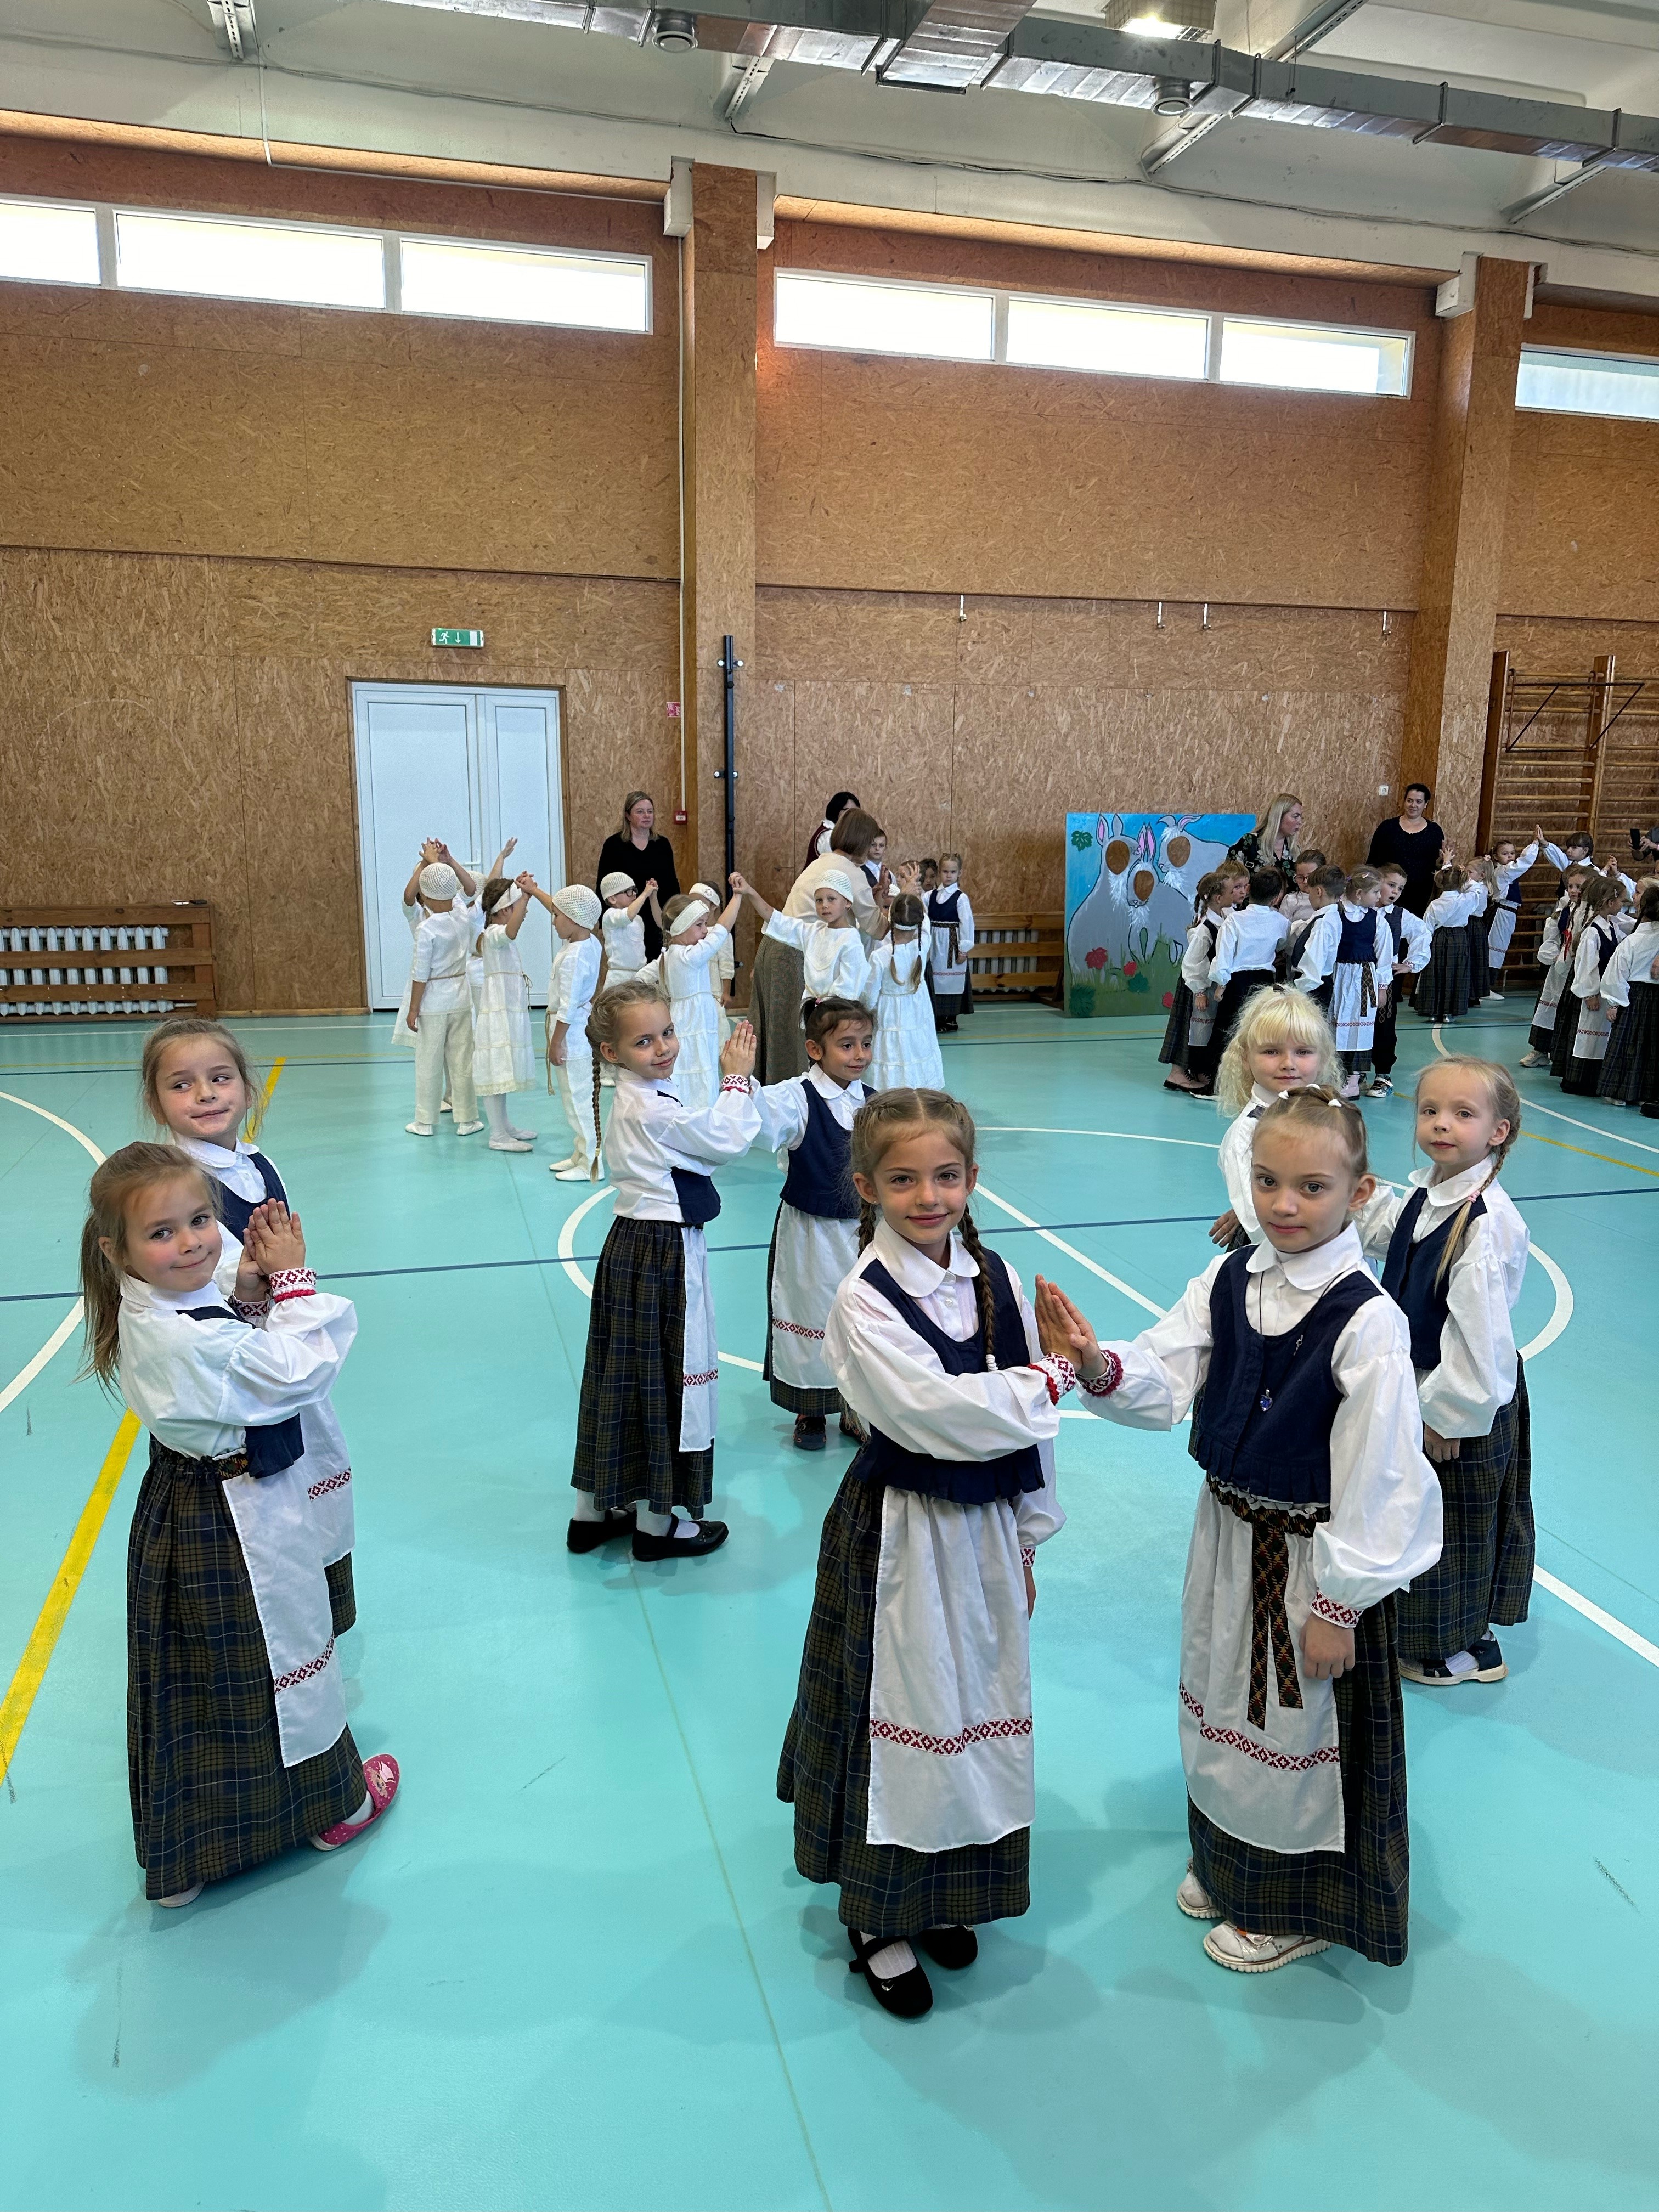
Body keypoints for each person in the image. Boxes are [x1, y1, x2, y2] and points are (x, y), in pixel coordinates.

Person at [1039, 1087, 1441, 1974]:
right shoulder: (1228, 1281)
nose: (1284, 1204)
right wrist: (1097, 1362)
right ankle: (1231, 1868)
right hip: (1227, 1533)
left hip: (1307, 1564)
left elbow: (1381, 1477)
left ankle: (1295, 1906)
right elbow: (1164, 1369)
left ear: (1358, 1192)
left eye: (1310, 1187)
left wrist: (1337, 1604)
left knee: (1295, 1727)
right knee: (1221, 1696)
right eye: (1266, 1181)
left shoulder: (1365, 1321)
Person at [778, 1088, 1069, 2021]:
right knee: (895, 1716)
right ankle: (875, 1914)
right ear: (867, 1187)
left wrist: (1029, 1535)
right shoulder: (862, 1300)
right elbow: (936, 1417)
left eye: (945, 1176)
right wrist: (1050, 1378)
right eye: (903, 1179)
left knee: (968, 1705)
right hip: (899, 1534)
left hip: (983, 1535)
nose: (928, 1196)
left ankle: (942, 1886)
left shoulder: (997, 1278)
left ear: (971, 1178)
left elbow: (1030, 1440)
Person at [80, 1143, 399, 1907]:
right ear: (117, 1251)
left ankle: (186, 1859)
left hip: (182, 1501)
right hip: (238, 1515)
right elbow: (295, 1372)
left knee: (202, 1682)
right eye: (163, 1233)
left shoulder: (150, 1302)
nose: (193, 1243)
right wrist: (291, 1282)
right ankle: (339, 1807)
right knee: (284, 1662)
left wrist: (245, 1290)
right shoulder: (192, 1338)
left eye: (200, 1221)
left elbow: (223, 1338)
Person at [139, 1015, 359, 1635]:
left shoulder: (256, 1162)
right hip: (238, 1376)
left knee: (309, 1496)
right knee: (266, 1535)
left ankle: (315, 1622)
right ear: (155, 1102)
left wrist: (272, 1277)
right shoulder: (173, 1185)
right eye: (181, 1085)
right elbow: (189, 1289)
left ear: (246, 1085)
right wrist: (261, 1281)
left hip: (277, 1348)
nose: (205, 1095)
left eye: (220, 1078)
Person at [570, 985, 761, 1562]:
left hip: (630, 1244)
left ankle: (591, 1513)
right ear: (612, 1052)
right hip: (662, 1252)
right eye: (644, 1041)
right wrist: (736, 1079)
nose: (663, 1048)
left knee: (621, 1377)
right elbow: (726, 1139)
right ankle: (656, 1526)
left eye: (668, 1033)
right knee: (666, 1378)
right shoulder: (652, 1109)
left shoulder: (641, 1097)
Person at [1358, 1060, 1531, 1689]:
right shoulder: (1429, 1194)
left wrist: (1446, 1416)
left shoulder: (1485, 1224)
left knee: (1453, 1528)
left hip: (1457, 1401)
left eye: (1463, 1114)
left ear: (1497, 1132)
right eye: (1429, 1111)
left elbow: (1481, 1340)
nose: (1441, 1124)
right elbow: (1391, 1235)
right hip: (1419, 1386)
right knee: (1413, 1512)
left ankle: (1458, 1648)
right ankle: (1423, 1625)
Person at [753, 998, 874, 1452]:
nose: (860, 1054)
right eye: (847, 1045)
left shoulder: (873, 1102)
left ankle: (856, 1407)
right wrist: (740, 1080)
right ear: (815, 1050)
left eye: (866, 1043)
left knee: (862, 1318)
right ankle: (811, 1409)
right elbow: (758, 1123)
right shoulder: (797, 1097)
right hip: (810, 1234)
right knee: (811, 1313)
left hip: (863, 1234)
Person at [752, 810, 889, 1085]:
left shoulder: (821, 862)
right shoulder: (852, 872)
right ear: (863, 842)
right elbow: (877, 927)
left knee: (771, 1031)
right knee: (795, 1035)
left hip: (772, 945)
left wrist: (873, 898)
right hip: (794, 952)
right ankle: (796, 1095)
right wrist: (897, 901)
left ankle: (765, 1089)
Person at [1208, 986, 1340, 1251]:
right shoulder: (1246, 1134)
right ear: (1246, 1058)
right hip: (1284, 1260)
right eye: (1271, 1052)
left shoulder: (1331, 1115)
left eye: (1303, 1052)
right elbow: (1263, 1226)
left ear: (1323, 1057)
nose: (1288, 1063)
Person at [523, 881, 603, 1178]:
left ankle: (592, 1163)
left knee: (578, 1100)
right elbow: (568, 912)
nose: (553, 920)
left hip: (571, 1033)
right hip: (577, 1026)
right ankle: (582, 1151)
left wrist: (555, 1044)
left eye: (557, 916)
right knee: (576, 1098)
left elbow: (568, 1007)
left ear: (574, 919)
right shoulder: (586, 941)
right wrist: (535, 891)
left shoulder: (575, 956)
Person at [733, 868, 876, 1023]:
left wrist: (828, 1013)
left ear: (847, 902)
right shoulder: (813, 931)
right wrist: (749, 891)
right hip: (812, 1011)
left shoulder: (850, 939)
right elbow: (777, 921)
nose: (824, 905)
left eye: (831, 899)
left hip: (838, 1015)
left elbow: (848, 986)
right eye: (819, 900)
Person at [405, 861, 483, 1141]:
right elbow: (471, 889)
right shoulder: (461, 915)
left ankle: (425, 1121)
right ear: (453, 891)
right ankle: (467, 1119)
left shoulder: (426, 929)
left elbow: (420, 973)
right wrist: (449, 861)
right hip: (461, 998)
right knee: (462, 1061)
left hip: (433, 1002)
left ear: (424, 896)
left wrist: (414, 1009)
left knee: (429, 1061)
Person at [1297, 867, 1391, 1097]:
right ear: (1359, 894)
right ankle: (1334, 1074)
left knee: (1360, 1030)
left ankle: (1354, 1079)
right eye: (1375, 892)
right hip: (1339, 977)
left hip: (1364, 980)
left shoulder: (1377, 919)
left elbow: (1385, 956)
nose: (1379, 897)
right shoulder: (1335, 914)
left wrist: (1382, 987)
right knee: (1335, 1027)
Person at [653, 887, 743, 1115]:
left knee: (696, 1067)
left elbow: (640, 977)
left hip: (690, 1017)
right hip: (693, 1020)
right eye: (700, 925)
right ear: (682, 927)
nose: (705, 930)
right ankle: (699, 1114)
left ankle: (692, 1112)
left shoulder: (670, 955)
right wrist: (738, 896)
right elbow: (722, 930)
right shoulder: (689, 957)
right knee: (698, 1068)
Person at [471, 875, 539, 1153]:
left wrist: (523, 895)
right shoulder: (494, 934)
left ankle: (504, 1125)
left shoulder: (499, 936)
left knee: (504, 1069)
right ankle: (497, 1135)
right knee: (496, 1069)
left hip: (509, 1011)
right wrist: (526, 896)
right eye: (516, 906)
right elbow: (512, 931)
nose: (523, 912)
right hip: (497, 1013)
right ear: (503, 909)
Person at [1161, 872, 1234, 1096]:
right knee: (1190, 1030)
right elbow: (1192, 963)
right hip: (1195, 986)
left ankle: (1198, 1070)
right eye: (1232, 891)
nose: (1236, 894)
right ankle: (1178, 1074)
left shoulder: (1223, 919)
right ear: (1219, 898)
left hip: (1205, 985)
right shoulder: (1205, 929)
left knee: (1203, 1031)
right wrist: (1200, 991)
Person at [1556, 874, 1627, 1094]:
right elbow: (1586, 966)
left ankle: (1595, 1079)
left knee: (1599, 1037)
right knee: (1586, 1038)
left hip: (1604, 992)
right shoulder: (1592, 933)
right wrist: (1590, 994)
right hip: (1593, 995)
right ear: (1611, 903)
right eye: (1622, 901)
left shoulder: (1611, 926)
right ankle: (1579, 1081)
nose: (1623, 905)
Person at [1364, 862, 1431, 1098]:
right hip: (1356, 978)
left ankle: (1383, 1074)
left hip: (1385, 980)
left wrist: (1410, 964)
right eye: (1391, 885)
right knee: (1357, 1025)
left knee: (1383, 1027)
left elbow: (1422, 933)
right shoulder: (1357, 911)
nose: (1395, 892)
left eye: (1400, 888)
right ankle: (1357, 1071)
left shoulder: (1400, 916)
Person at [1208, 870, 1289, 1054]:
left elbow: (1224, 955)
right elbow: (1283, 944)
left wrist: (1222, 983)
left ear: (1249, 889)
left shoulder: (1234, 920)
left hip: (1236, 982)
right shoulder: (1282, 922)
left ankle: (1221, 1070)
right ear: (1277, 899)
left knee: (1229, 1030)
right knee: (1258, 1030)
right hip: (1264, 982)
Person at [869, 892, 943, 1092]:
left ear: (891, 918)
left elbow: (869, 997)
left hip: (889, 1014)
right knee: (916, 1049)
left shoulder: (879, 956)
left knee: (891, 1052)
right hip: (917, 1010)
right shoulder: (922, 946)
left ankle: (891, 1095)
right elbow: (925, 924)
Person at [1520, 864, 1592, 1068]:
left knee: (1569, 1011)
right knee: (1548, 1005)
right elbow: (1553, 934)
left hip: (1578, 967)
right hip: (1559, 965)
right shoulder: (1564, 906)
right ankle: (1540, 1050)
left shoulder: (1592, 912)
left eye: (1579, 887)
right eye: (1570, 886)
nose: (1573, 891)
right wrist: (1552, 953)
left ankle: (1563, 1055)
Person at [596, 791, 680, 962]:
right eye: (640, 812)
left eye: (650, 811)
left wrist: (675, 918)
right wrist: (604, 922)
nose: (647, 816)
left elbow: (672, 885)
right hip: (626, 920)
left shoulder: (662, 845)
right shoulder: (614, 845)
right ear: (628, 816)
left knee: (657, 968)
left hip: (657, 919)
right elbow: (603, 886)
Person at [1598, 882, 1659, 1114]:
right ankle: (1646, 1093)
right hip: (1655, 998)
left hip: (1634, 997)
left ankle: (1619, 1093)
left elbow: (1616, 974)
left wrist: (1614, 1003)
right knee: (1651, 1048)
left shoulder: (1633, 941)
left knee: (1628, 1045)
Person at [1365, 783, 1446, 916]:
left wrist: (1442, 861)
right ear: (1404, 802)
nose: (1413, 805)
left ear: (1426, 804)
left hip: (1419, 894)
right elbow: (1373, 861)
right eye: (1410, 800)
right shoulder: (1387, 827)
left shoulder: (1434, 831)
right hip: (1386, 892)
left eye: (1419, 802)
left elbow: (1436, 867)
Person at [1412, 864, 1476, 1024]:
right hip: (1459, 939)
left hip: (1438, 939)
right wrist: (1465, 878)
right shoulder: (1467, 899)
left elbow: (1426, 928)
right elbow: (1477, 888)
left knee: (1435, 973)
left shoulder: (1435, 904)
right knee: (1456, 974)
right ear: (1462, 882)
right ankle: (1449, 1012)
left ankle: (1433, 1011)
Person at [1485, 835, 1541, 991]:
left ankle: (1487, 986)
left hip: (1508, 912)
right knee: (1495, 950)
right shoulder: (1502, 872)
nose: (1510, 857)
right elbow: (1523, 863)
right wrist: (1534, 845)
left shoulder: (1504, 870)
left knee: (1499, 949)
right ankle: (1486, 987)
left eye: (1512, 853)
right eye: (1505, 854)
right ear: (1496, 856)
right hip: (1501, 912)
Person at [1284, 864, 1347, 996]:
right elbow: (1305, 927)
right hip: (1318, 983)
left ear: (1318, 892)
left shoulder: (1323, 924)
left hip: (1312, 987)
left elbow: (1313, 966)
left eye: (1310, 892)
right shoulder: (1329, 916)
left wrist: (1296, 993)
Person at [928, 854, 974, 1034]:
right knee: (935, 980)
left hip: (951, 945)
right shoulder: (930, 896)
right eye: (945, 871)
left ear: (959, 873)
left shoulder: (961, 898)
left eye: (953, 872)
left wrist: (963, 949)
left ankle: (950, 1018)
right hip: (934, 944)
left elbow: (967, 924)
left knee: (951, 981)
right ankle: (937, 1017)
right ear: (939, 872)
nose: (949, 875)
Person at [687, 879, 737, 1043]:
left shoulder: (721, 933)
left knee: (716, 1032)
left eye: (700, 903)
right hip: (695, 991)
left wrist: (726, 992)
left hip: (714, 992)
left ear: (714, 906)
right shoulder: (689, 932)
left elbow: (726, 964)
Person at [1228, 795, 1305, 895]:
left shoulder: (1295, 852)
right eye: (1295, 816)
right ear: (1278, 816)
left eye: (1301, 817)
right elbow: (1229, 882)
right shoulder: (1249, 843)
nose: (1300, 822)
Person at [1462, 857, 1497, 1007]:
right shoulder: (1473, 886)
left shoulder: (1479, 889)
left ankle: (1472, 994)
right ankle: (1469, 994)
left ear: (1482, 876)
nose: (1466, 875)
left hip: (1472, 925)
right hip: (1471, 925)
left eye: (1470, 872)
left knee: (1472, 959)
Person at [1278, 849, 1327, 936]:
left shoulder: (1330, 898)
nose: (1305, 882)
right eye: (1300, 877)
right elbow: (1281, 931)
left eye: (1310, 876)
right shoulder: (1290, 900)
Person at [806, 791, 861, 867]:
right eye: (846, 810)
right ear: (836, 810)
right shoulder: (829, 835)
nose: (851, 815)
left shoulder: (843, 834)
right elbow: (837, 866)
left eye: (855, 812)